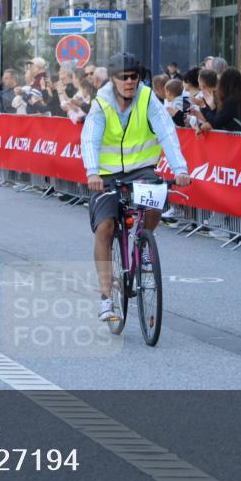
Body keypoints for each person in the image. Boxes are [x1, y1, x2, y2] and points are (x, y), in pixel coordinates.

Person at [81, 52, 190, 321]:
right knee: (105, 227)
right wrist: (93, 171)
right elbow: (90, 139)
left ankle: (143, 244)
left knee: (155, 200)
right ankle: (107, 297)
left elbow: (166, 130)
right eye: (124, 78)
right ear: (114, 79)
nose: (130, 82)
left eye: (134, 77)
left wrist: (180, 169)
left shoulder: (146, 97)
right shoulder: (101, 103)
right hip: (106, 174)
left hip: (141, 169)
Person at [191, 67, 241, 133]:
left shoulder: (232, 100)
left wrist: (203, 106)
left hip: (237, 138)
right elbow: (220, 118)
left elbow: (216, 123)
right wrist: (213, 108)